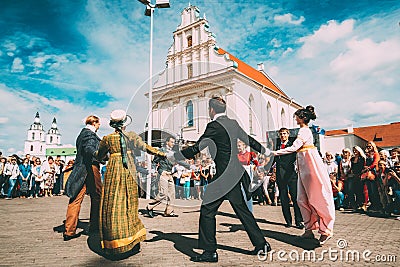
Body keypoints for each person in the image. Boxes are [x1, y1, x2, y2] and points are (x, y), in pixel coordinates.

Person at [173, 96, 271, 263]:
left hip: (223, 176)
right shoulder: (232, 123)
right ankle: (262, 244)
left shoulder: (213, 126)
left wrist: (176, 155)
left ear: (211, 110)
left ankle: (210, 251)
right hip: (235, 174)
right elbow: (248, 139)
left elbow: (198, 147)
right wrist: (265, 150)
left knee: (207, 211)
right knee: (242, 211)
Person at [94, 109, 166, 257]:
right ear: (125, 123)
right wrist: (160, 153)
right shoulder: (131, 136)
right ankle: (131, 240)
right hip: (128, 171)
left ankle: (113, 242)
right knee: (129, 203)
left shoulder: (107, 139)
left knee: (113, 203)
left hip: (113, 170)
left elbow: (99, 155)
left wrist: (103, 157)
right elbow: (144, 147)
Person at [272, 105, 335, 245]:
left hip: (310, 166)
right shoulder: (303, 130)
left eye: (297, 116)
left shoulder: (304, 131)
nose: (295, 118)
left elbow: (294, 147)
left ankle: (326, 230)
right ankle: (309, 229)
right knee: (302, 199)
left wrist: (274, 153)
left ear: (303, 118)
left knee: (316, 197)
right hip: (303, 167)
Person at [64, 115, 102, 241]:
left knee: (75, 199)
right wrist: (99, 155)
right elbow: (89, 148)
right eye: (98, 124)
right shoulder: (89, 134)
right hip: (90, 168)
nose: (99, 126)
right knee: (97, 197)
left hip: (81, 170)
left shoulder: (82, 134)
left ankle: (69, 230)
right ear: (94, 123)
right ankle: (94, 226)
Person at [274, 128, 304, 229]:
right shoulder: (276, 145)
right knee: (283, 199)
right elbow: (273, 160)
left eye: (284, 134)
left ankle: (299, 221)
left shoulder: (292, 145)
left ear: (288, 134)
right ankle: (288, 221)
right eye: (281, 134)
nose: (283, 136)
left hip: (291, 175)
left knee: (295, 198)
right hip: (280, 176)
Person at [146, 137, 180, 218]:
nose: (173, 143)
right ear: (167, 142)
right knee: (163, 193)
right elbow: (154, 162)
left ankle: (169, 211)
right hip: (163, 173)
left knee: (172, 194)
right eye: (171, 142)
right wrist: (154, 171)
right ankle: (150, 206)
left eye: (173, 142)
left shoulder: (173, 152)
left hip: (170, 173)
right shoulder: (161, 151)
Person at [237, 139, 258, 212]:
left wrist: (254, 168)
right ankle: (246, 211)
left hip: (248, 173)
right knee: (242, 192)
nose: (238, 147)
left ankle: (250, 211)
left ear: (244, 146)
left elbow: (257, 163)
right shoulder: (236, 155)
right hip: (239, 173)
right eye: (237, 146)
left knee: (248, 192)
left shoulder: (250, 154)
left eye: (239, 146)